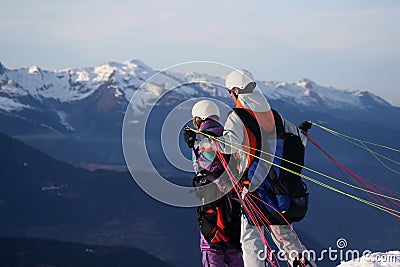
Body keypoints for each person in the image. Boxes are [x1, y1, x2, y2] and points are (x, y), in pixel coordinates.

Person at [199, 70, 316, 267]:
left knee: (251, 239)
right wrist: (302, 130)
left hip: (253, 187)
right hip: (279, 188)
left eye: (230, 92)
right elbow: (300, 140)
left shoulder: (237, 116)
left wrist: (208, 140)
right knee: (284, 234)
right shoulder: (274, 115)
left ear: (236, 91)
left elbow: (229, 146)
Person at [183, 99, 244, 267]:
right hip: (234, 195)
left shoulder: (200, 138)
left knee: (211, 242)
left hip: (211, 194)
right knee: (232, 243)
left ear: (198, 119)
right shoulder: (228, 135)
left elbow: (203, 166)